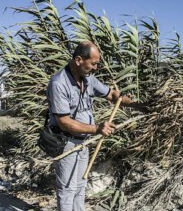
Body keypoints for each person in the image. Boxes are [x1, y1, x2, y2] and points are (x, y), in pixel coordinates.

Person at [47, 41, 145, 211]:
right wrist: (97, 129)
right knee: (67, 189)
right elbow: (64, 122)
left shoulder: (88, 80)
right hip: (66, 143)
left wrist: (139, 106)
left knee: (80, 186)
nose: (95, 68)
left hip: (83, 143)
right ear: (78, 60)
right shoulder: (59, 83)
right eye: (93, 63)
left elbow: (113, 95)